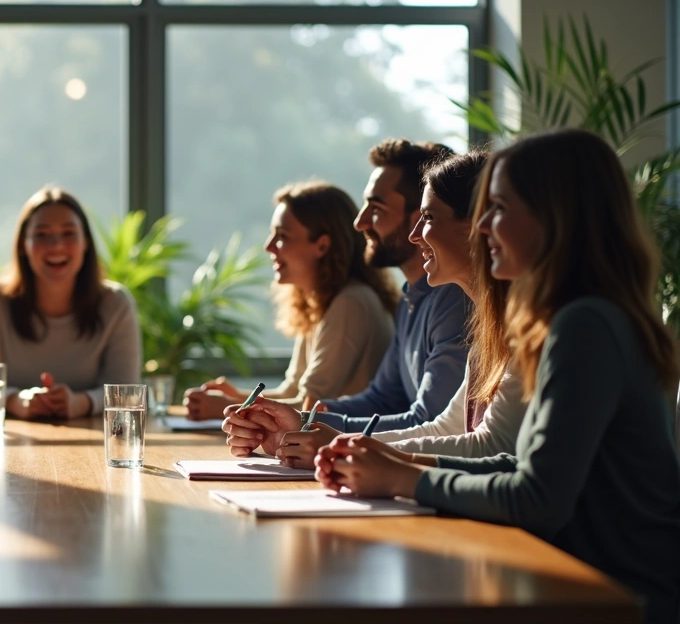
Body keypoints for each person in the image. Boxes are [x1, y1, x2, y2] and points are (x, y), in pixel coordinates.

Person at [311, 130, 680, 624]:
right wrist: (393, 460)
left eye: (499, 208)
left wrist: (403, 477)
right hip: (584, 581)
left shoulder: (585, 324)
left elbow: (537, 499)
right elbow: (519, 463)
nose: (482, 226)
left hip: (617, 598)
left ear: (557, 218)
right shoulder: (575, 318)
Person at [266, 151, 528, 466]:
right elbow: (445, 427)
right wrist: (318, 431)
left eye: (428, 218)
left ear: (475, 227)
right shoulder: (478, 325)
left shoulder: (508, 325)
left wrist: (342, 446)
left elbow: (490, 445)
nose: (415, 234)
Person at [216, 139, 468, 436]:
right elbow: (384, 398)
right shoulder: (411, 299)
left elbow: (432, 423)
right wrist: (306, 417)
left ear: (418, 219)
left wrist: (311, 425)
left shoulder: (453, 299)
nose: (360, 223)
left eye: (376, 208)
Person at [184, 181, 397, 418]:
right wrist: (235, 398)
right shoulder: (323, 301)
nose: (269, 247)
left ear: (322, 245)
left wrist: (226, 408)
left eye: (282, 236)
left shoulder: (350, 303)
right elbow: (292, 391)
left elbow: (310, 406)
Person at [0, 187, 141, 419]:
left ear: (86, 243)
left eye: (69, 233)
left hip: (95, 445)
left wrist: (80, 403)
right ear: (23, 245)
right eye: (41, 234)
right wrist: (13, 401)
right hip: (7, 446)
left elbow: (128, 394)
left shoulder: (116, 304)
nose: (56, 245)